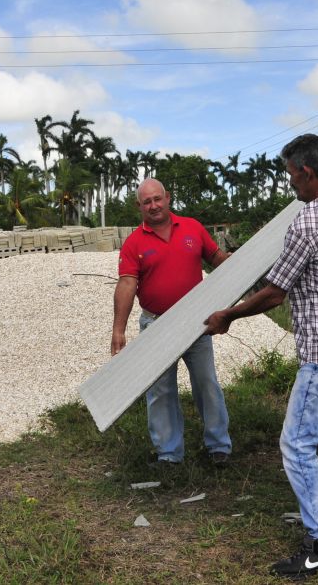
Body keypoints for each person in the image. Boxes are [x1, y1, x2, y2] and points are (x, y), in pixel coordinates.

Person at [204, 134, 318, 579]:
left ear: (307, 172)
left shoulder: (307, 223)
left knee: (296, 446)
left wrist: (229, 315)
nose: (290, 184)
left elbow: (275, 293)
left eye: (290, 175)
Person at [112, 178, 232, 466]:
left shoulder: (192, 227)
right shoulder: (134, 243)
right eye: (146, 202)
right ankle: (169, 453)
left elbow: (216, 257)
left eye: (157, 199)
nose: (153, 206)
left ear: (167, 198)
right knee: (160, 390)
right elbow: (127, 284)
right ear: (138, 207)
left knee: (206, 383)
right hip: (156, 325)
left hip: (196, 322)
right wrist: (118, 330)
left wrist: (245, 265)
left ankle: (219, 447)